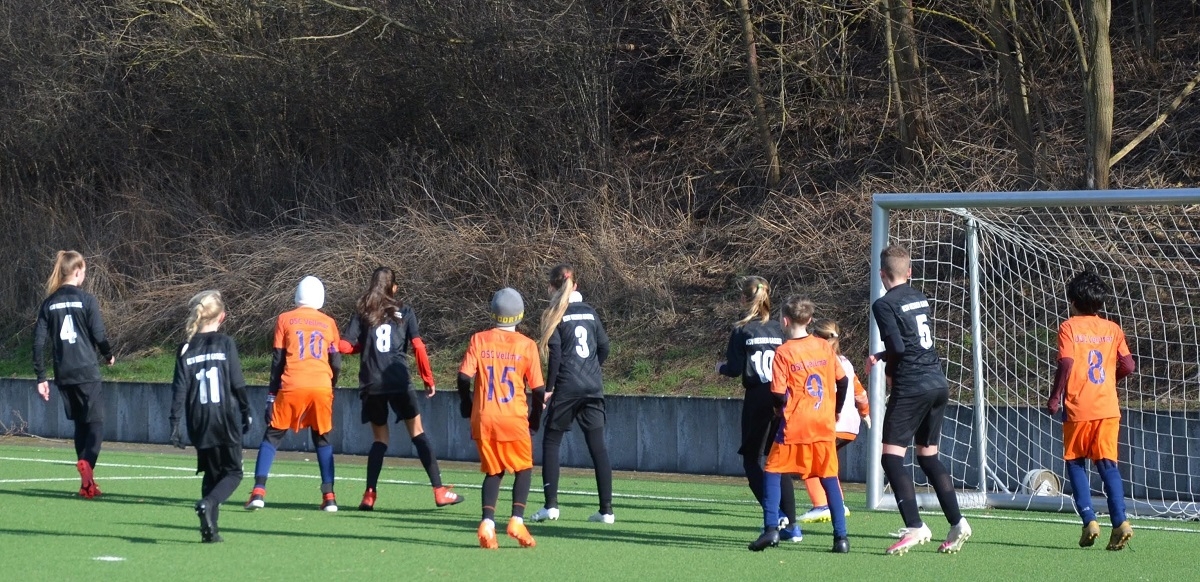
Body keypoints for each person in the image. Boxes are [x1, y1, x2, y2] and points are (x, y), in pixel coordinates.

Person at [867, 244, 971, 555]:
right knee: (928, 457)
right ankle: (958, 522)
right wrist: (883, 354)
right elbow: (911, 342)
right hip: (937, 382)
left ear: (882, 274)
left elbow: (899, 348)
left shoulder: (883, 304)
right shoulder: (919, 297)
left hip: (911, 385)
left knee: (891, 458)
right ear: (909, 272)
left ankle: (915, 526)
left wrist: (889, 371)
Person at [335, 267, 463, 511]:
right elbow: (418, 347)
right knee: (418, 433)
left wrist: (362, 346)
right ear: (393, 288)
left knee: (380, 440)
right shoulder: (405, 311)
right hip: (398, 380)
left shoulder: (364, 311)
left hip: (372, 383)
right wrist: (428, 379)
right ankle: (439, 491)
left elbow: (344, 346)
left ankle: (369, 494)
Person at [748, 297, 850, 553]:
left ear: (785, 321)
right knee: (829, 478)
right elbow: (843, 381)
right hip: (823, 424)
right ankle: (841, 538)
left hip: (795, 425)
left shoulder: (784, 352)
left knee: (772, 471)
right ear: (810, 320)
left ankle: (771, 529)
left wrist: (777, 409)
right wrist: (835, 410)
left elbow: (778, 392)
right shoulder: (824, 346)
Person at [1046, 271, 1136, 550]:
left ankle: (1089, 520)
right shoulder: (1113, 328)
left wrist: (1055, 396)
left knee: (1075, 462)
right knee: (1108, 464)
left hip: (1079, 407)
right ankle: (1120, 521)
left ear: (1072, 301)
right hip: (1108, 407)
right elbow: (1129, 365)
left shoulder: (1069, 327)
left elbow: (1067, 363)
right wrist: (1110, 379)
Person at [245, 276, 343, 511]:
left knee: (272, 436)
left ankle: (258, 491)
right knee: (322, 438)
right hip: (321, 385)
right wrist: (330, 385)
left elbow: (278, 360)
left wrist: (271, 395)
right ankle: (329, 496)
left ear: (297, 296)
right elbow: (336, 361)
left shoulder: (284, 319)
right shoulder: (329, 323)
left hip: (292, 384)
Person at [457, 288, 544, 549]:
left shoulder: (479, 340)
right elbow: (538, 390)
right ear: (521, 315)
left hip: (484, 417)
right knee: (523, 468)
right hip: (513, 417)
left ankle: (487, 523)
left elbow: (463, 377)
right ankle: (516, 519)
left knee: (494, 470)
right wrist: (536, 419)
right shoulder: (526, 345)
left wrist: (466, 404)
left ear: (493, 313)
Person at [529, 264, 614, 524]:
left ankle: (551, 506)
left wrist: (549, 389)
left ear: (550, 287)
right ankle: (606, 511)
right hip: (592, 387)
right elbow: (604, 347)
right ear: (575, 286)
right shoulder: (590, 312)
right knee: (598, 447)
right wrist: (591, 371)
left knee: (551, 442)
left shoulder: (554, 314)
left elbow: (555, 355)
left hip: (567, 387)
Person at [716, 276, 798, 540]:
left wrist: (720, 368)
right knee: (778, 461)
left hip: (757, 398)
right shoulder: (780, 329)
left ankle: (776, 514)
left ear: (743, 298)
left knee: (752, 460)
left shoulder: (742, 330)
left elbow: (734, 369)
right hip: (782, 398)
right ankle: (793, 526)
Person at [168, 290, 252, 543]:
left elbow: (179, 390)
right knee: (234, 472)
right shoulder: (225, 343)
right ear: (222, 316)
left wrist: (175, 424)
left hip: (199, 421)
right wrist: (246, 410)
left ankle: (210, 530)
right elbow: (237, 383)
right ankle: (209, 503)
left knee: (211, 473)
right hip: (225, 417)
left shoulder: (185, 348)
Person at [32, 250, 114, 499]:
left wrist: (41, 377)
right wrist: (108, 354)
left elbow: (38, 342)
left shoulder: (49, 303)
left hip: (64, 374)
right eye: (84, 272)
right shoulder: (87, 300)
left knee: (80, 425)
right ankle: (87, 463)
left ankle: (86, 484)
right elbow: (98, 334)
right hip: (86, 370)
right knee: (96, 425)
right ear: (77, 271)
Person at [798, 318, 871, 524]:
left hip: (829, 422)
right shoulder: (845, 362)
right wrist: (865, 413)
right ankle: (838, 504)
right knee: (826, 463)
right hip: (850, 425)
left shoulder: (816, 362)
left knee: (809, 462)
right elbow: (860, 392)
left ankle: (821, 505)